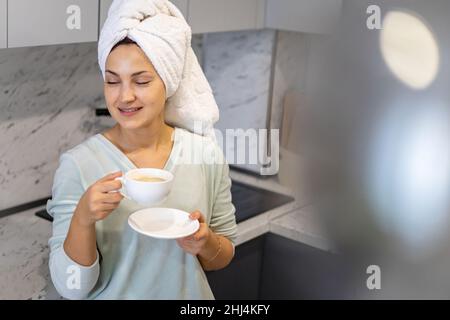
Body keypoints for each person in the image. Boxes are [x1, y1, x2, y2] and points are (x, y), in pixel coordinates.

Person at [46, 0, 237, 300]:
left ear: (169, 82)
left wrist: (205, 242)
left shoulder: (205, 155)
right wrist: (83, 217)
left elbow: (223, 256)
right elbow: (71, 288)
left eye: (142, 80)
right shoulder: (78, 165)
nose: (125, 96)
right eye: (112, 81)